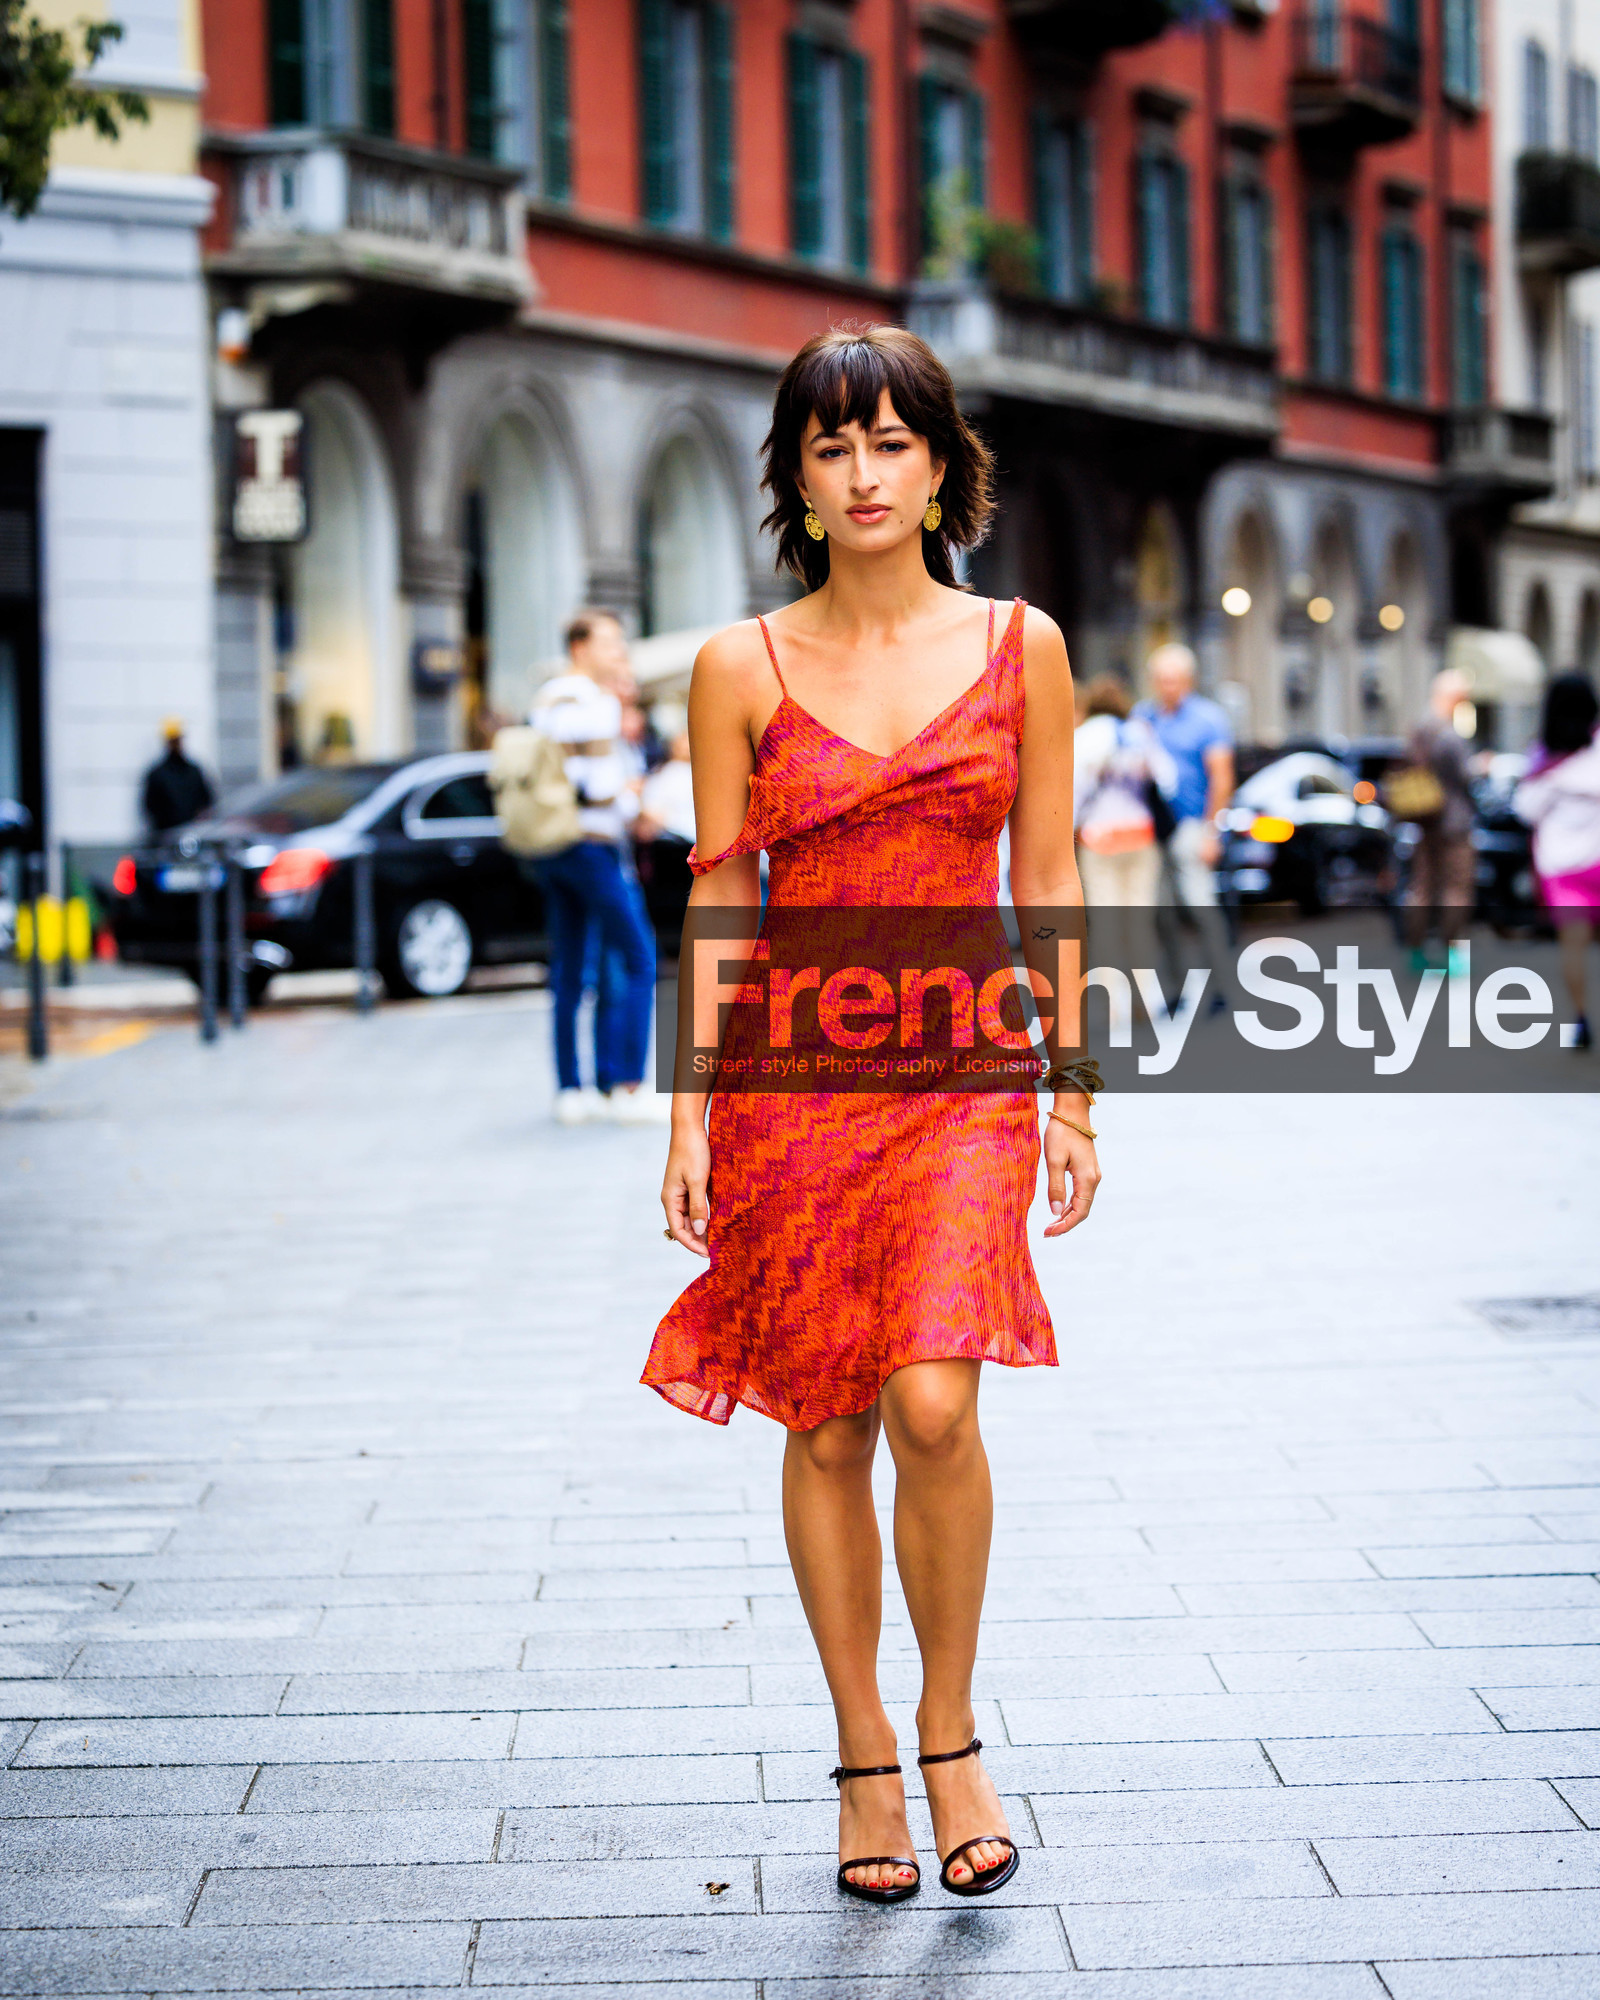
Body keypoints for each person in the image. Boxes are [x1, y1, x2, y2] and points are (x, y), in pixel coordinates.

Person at [646, 325, 1098, 1905]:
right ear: (797, 479)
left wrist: (1077, 1082)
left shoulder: (1019, 645)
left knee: (932, 1406)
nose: (863, 474)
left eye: (891, 442)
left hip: (966, 1062)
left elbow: (1047, 869)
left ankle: (952, 1727)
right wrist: (689, 1112)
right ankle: (859, 1754)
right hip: (792, 1081)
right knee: (827, 1418)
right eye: (832, 449)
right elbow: (717, 895)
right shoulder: (736, 669)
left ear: (939, 461)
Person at [528, 611, 660, 1126]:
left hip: (554, 844)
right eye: (609, 642)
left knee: (570, 966)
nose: (617, 650)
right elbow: (591, 783)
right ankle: (625, 1084)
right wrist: (628, 795)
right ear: (579, 646)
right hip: (592, 845)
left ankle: (572, 1088)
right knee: (638, 956)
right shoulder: (592, 701)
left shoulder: (547, 697)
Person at [1132, 644, 1233, 1000]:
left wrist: (1212, 831)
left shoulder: (1208, 718)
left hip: (1191, 825)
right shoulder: (1143, 717)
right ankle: (1175, 988)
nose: (1167, 687)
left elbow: (1221, 779)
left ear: (1188, 680)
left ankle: (1220, 987)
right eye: (1161, 680)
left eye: (1173, 680)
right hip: (1153, 829)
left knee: (1200, 906)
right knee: (1162, 913)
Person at [1515, 672, 1600, 1051]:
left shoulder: (1545, 762)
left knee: (1574, 948)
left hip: (1563, 869)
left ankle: (1581, 1017)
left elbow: (1525, 810)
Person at [1402, 667, 1478, 968]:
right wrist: (1479, 767)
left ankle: (1416, 951)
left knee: (1422, 886)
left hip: (1425, 819)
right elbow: (1464, 775)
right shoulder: (1448, 734)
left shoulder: (1419, 730)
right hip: (1454, 822)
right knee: (1455, 888)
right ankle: (1452, 953)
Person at [141, 720, 214, 834]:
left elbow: (207, 799)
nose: (176, 744)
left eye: (177, 740)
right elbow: (150, 806)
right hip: (166, 835)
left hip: (193, 832)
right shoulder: (157, 774)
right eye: (173, 741)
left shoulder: (193, 771)